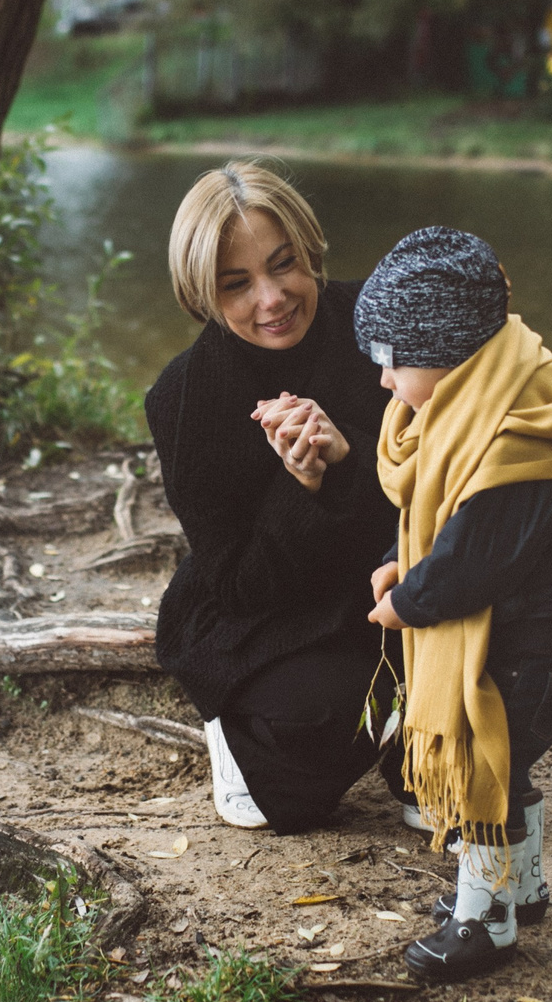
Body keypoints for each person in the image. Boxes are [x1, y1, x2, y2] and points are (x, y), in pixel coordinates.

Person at [357, 227, 552, 982]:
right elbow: (442, 524)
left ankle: (487, 921)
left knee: (484, 771)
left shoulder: (518, 443)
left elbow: (476, 555)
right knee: (510, 768)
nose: (383, 384)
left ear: (448, 353)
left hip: (534, 647)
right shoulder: (481, 410)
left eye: (392, 361)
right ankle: (526, 886)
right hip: (514, 637)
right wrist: (396, 561)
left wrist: (410, 600)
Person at [144, 162, 401, 834]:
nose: (272, 298)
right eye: (238, 284)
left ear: (309, 250)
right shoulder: (183, 397)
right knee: (324, 715)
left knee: (480, 640)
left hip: (389, 573)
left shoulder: (379, 324)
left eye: (283, 265)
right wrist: (302, 484)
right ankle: (238, 741)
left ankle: (417, 761)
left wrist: (348, 454)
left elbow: (445, 473)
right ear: (204, 294)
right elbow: (239, 585)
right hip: (268, 608)